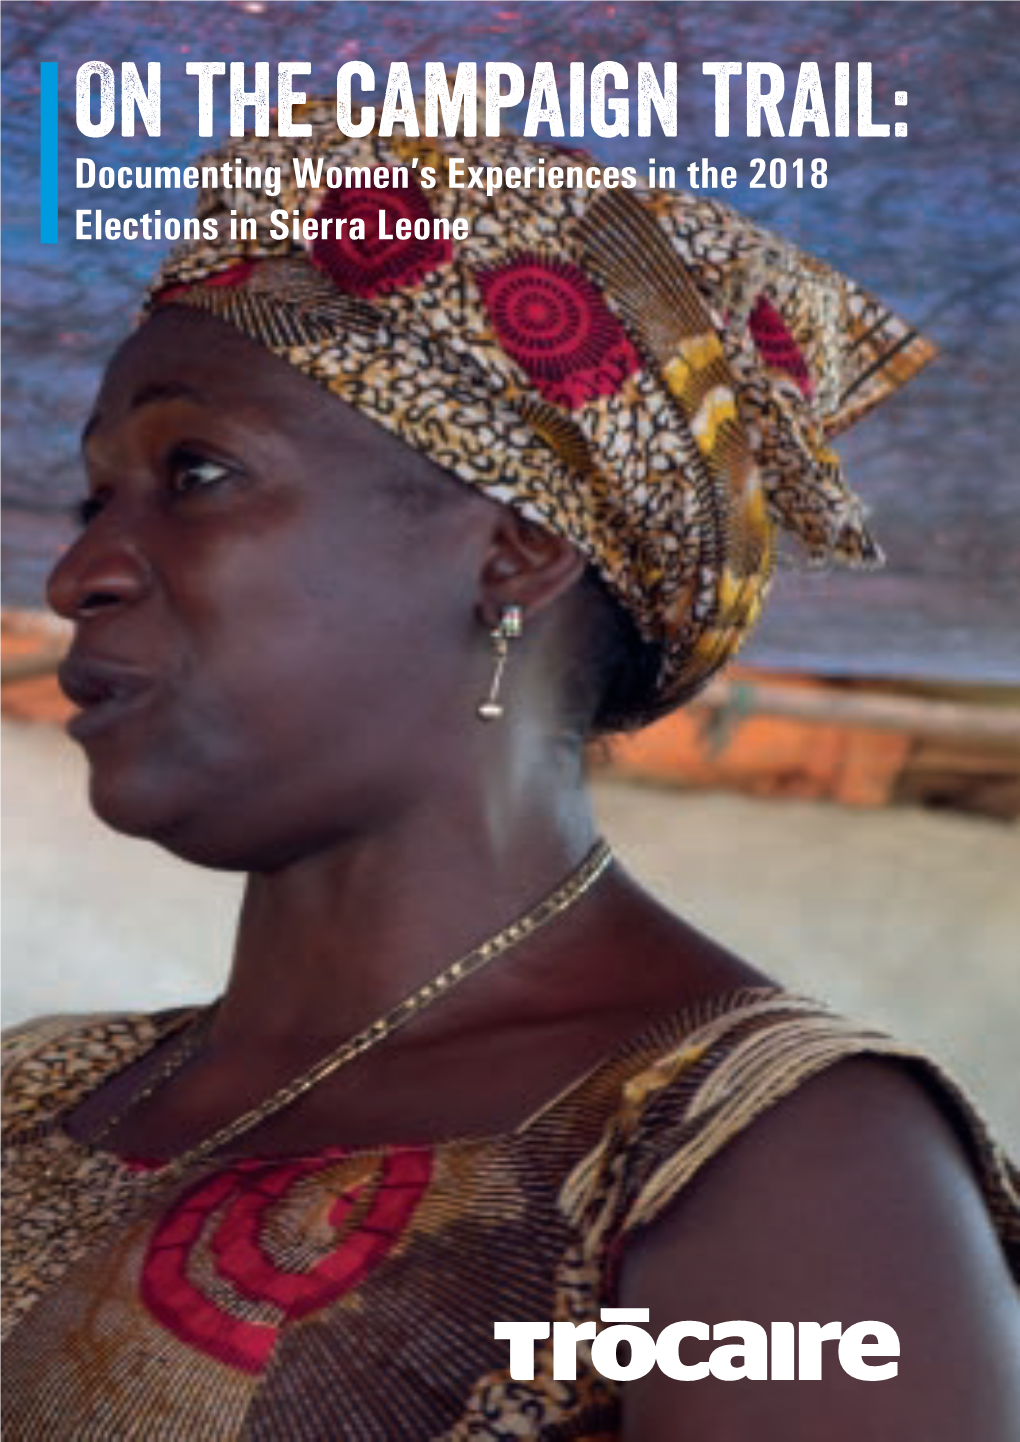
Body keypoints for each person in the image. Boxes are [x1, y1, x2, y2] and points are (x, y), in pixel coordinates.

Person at [3, 100, 1018, 1440]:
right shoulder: (38, 1090)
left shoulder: (778, 1158)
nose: (81, 571)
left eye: (195, 471)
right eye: (93, 499)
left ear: (517, 548)